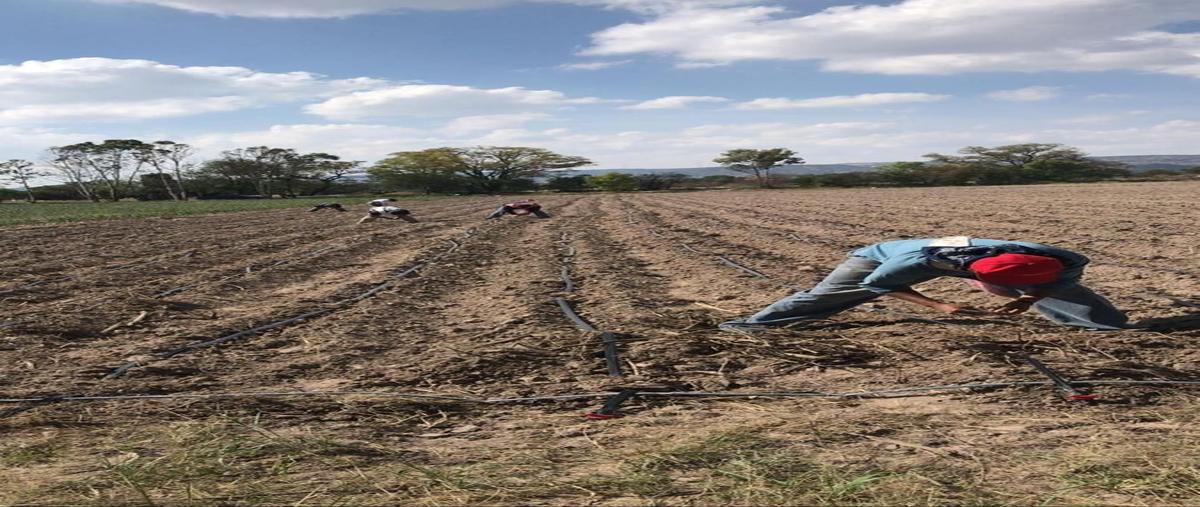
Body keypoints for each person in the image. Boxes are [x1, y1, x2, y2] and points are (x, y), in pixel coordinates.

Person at [720, 236, 1128, 332]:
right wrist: (940, 306)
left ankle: (1101, 325)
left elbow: (1060, 280)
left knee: (1070, 295)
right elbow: (883, 287)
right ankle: (751, 326)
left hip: (999, 269)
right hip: (876, 258)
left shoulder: (1063, 260)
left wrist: (1027, 300)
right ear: (977, 273)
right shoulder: (917, 261)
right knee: (834, 295)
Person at [486, 199, 551, 219]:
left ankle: (545, 216)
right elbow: (515, 205)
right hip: (509, 208)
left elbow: (526, 212)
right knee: (500, 211)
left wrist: (518, 214)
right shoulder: (527, 205)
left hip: (515, 209)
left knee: (543, 215)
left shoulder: (532, 208)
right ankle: (491, 217)